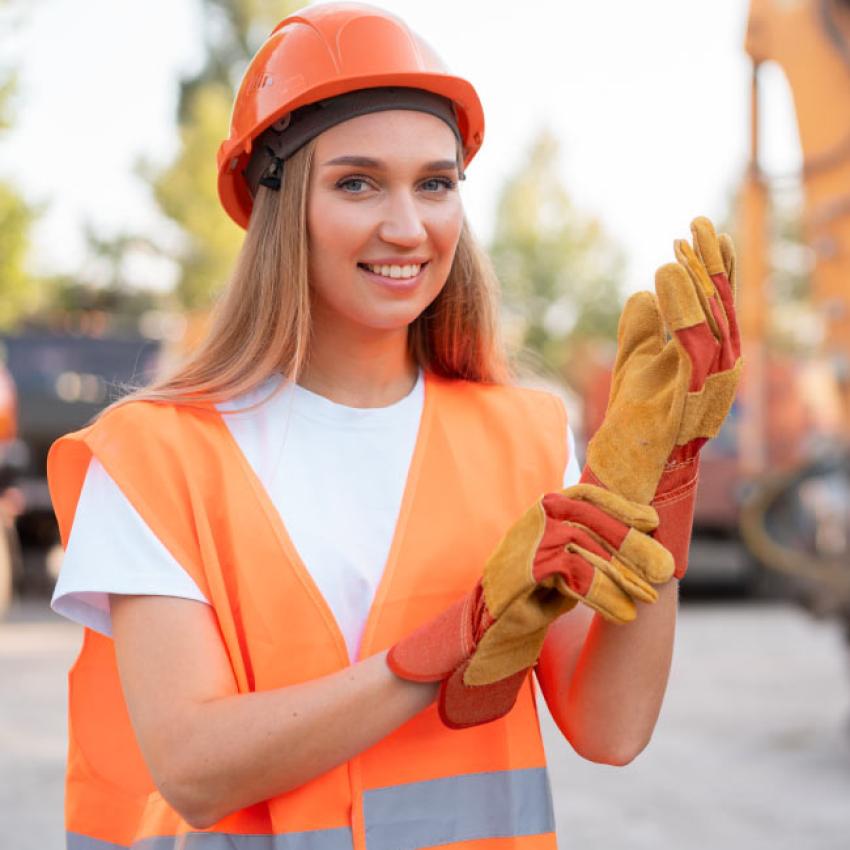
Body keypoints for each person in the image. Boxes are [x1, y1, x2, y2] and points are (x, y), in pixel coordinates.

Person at [47, 3, 740, 849]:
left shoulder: (522, 436)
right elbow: (195, 770)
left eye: (436, 183)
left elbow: (612, 728)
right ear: (278, 205)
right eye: (357, 182)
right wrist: (452, 645)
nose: (408, 227)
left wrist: (668, 474)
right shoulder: (155, 455)